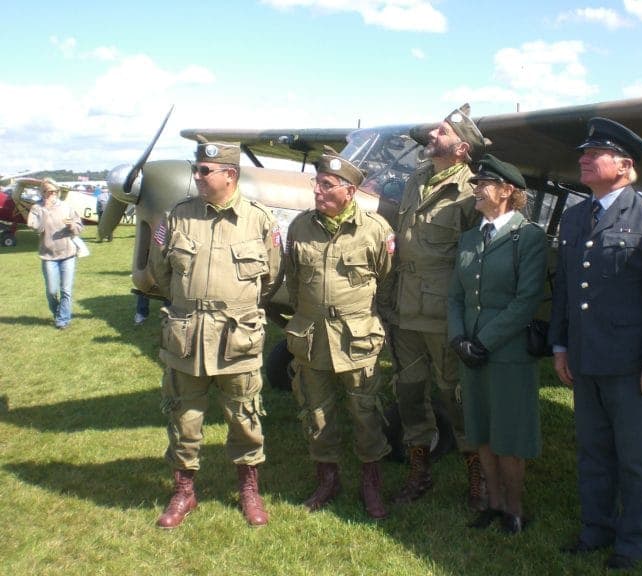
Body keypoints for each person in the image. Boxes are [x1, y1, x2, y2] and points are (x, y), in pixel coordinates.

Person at [548, 118, 642, 570]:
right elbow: (566, 291)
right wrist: (560, 346)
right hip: (586, 359)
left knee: (633, 460)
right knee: (592, 453)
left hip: (630, 365)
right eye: (583, 153)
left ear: (624, 165)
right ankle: (596, 529)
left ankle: (633, 540)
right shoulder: (574, 216)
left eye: (595, 154)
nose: (583, 160)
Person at [148, 139, 283, 529]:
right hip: (185, 337)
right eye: (197, 169)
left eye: (205, 171)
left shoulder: (260, 220)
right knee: (184, 418)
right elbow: (161, 271)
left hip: (237, 339)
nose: (197, 176)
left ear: (230, 175)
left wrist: (237, 308)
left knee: (245, 416)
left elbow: (272, 278)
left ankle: (249, 490)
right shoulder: (178, 216)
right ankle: (184, 491)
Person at [388, 104, 490, 511]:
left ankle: (478, 478)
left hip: (444, 316)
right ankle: (420, 472)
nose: (432, 134)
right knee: (410, 394)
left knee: (455, 398)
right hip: (405, 310)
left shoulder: (471, 192)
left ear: (461, 148)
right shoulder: (416, 180)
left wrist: (469, 320)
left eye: (442, 131)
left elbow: (477, 262)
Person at [284, 149, 395, 519]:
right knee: (315, 412)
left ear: (349, 191)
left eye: (327, 185)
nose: (317, 190)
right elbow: (294, 281)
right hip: (311, 335)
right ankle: (327, 480)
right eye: (316, 183)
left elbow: (386, 279)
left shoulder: (375, 230)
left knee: (366, 410)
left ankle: (371, 483)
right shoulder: (299, 227)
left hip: (357, 336)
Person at [446, 154, 548, 533]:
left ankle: (515, 508)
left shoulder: (529, 237)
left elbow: (526, 301)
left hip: (506, 354)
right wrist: (458, 338)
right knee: (481, 430)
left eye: (483, 184)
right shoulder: (470, 238)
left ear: (507, 191)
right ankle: (492, 502)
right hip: (470, 352)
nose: (476, 189)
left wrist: (482, 342)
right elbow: (455, 295)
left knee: (510, 434)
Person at [24, 178, 84, 330]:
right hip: (48, 255)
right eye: (47, 191)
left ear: (57, 192)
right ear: (42, 192)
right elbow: (36, 228)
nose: (51, 194)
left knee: (66, 290)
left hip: (68, 254)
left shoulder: (66, 207)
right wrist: (45, 210)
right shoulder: (37, 208)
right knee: (51, 291)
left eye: (53, 191)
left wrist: (72, 226)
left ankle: (63, 319)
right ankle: (58, 311)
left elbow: (79, 227)